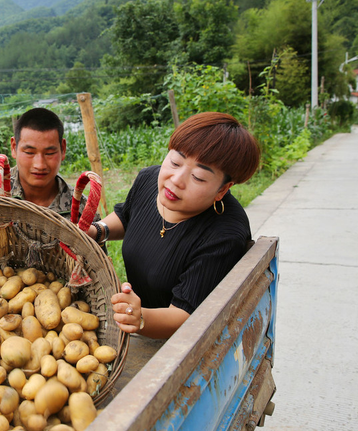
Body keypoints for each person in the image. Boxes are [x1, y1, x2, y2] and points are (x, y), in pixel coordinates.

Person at [88, 112, 261, 339]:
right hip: (138, 323)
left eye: (198, 177)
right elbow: (127, 214)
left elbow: (186, 315)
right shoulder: (150, 179)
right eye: (175, 162)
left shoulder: (224, 234)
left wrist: (140, 318)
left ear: (222, 190)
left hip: (180, 344)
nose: (176, 179)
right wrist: (97, 231)